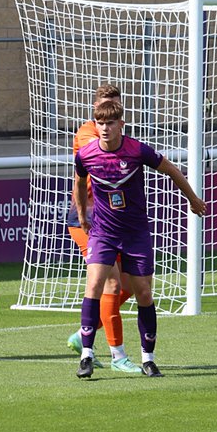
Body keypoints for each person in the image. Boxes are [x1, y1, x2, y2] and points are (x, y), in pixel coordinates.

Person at [73, 99, 206, 379]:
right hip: (104, 233)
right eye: (100, 123)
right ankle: (87, 355)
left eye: (110, 123)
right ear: (95, 125)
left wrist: (193, 199)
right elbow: (78, 182)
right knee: (95, 284)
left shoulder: (137, 151)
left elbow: (171, 170)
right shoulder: (86, 154)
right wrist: (84, 216)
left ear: (121, 124)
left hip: (135, 234)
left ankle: (148, 359)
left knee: (143, 292)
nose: (105, 128)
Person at [64, 84, 140, 373]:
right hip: (89, 218)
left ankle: (83, 333)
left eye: (116, 109)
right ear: (95, 109)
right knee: (110, 283)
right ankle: (117, 355)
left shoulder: (122, 138)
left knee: (131, 286)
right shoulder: (87, 134)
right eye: (104, 108)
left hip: (117, 219)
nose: (109, 114)